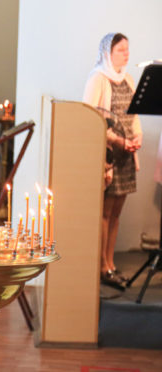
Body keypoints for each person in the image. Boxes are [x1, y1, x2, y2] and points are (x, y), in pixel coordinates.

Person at [83, 33, 142, 289]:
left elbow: (134, 113)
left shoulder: (128, 78)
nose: (126, 54)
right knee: (105, 213)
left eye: (127, 50)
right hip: (108, 154)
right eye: (121, 50)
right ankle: (100, 267)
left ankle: (111, 263)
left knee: (117, 213)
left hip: (127, 154)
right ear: (108, 52)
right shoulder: (98, 78)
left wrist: (136, 136)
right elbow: (89, 118)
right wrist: (118, 141)